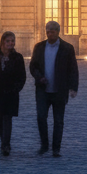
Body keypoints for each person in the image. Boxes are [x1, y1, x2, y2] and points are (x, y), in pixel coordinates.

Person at [29, 21, 78, 156]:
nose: (50, 34)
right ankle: (44, 145)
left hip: (59, 90)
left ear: (58, 32)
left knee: (58, 121)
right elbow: (33, 66)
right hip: (42, 90)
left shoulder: (67, 48)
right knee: (41, 117)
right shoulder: (39, 47)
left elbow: (73, 69)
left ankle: (56, 148)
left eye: (52, 32)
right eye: (48, 31)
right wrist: (39, 78)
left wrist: (73, 87)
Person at [0, 31, 26, 155]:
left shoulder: (18, 57)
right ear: (2, 41)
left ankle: (6, 145)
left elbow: (22, 76)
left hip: (11, 93)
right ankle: (4, 142)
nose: (11, 43)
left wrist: (16, 89)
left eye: (12, 41)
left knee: (7, 118)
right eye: (8, 41)